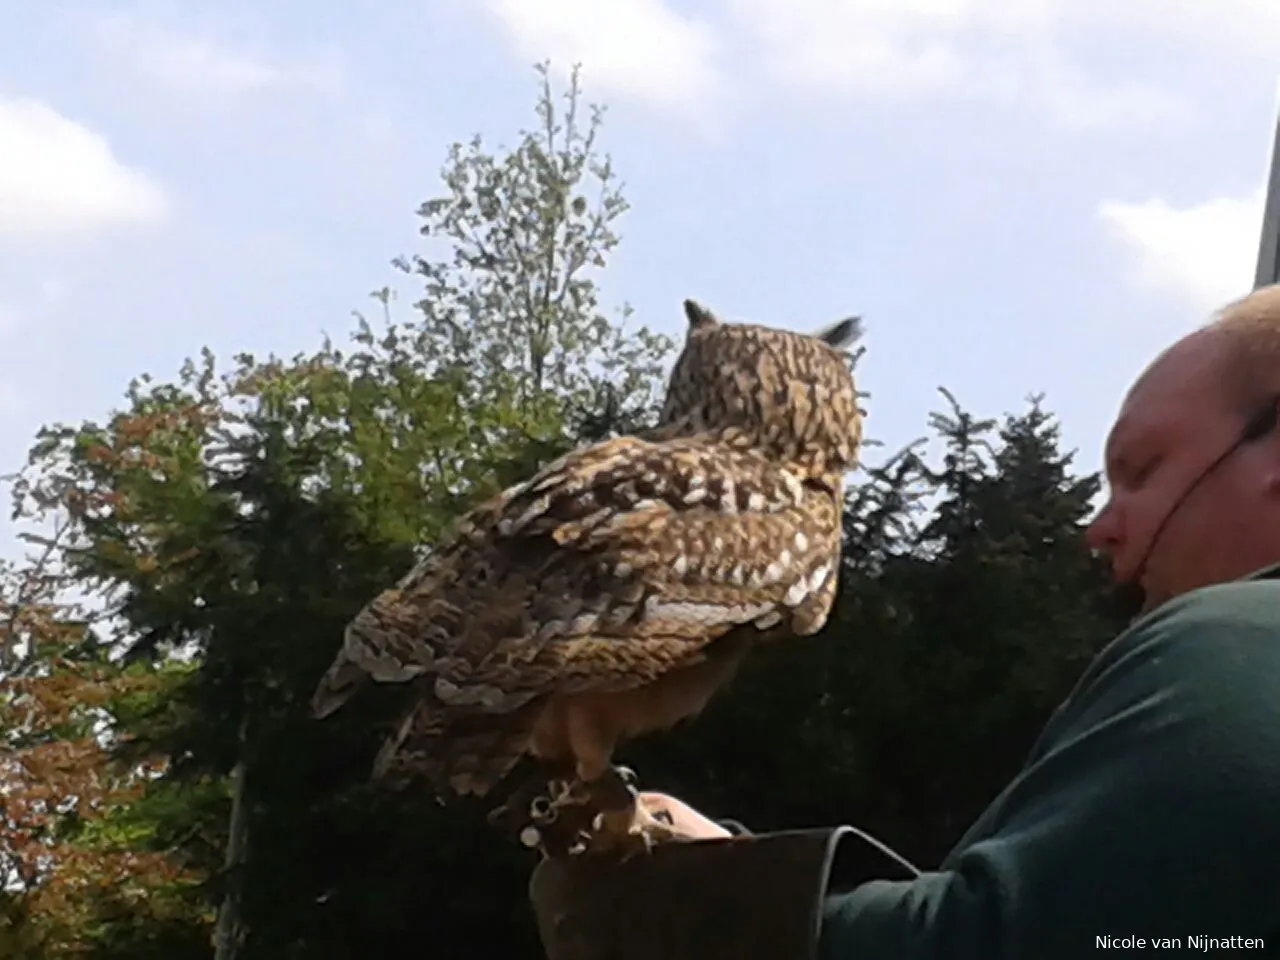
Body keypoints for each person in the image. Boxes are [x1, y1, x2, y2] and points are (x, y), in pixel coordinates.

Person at [529, 285, 1280, 958]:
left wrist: (710, 900)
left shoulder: (1239, 641)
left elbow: (1019, 942)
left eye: (1144, 469)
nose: (1100, 526)